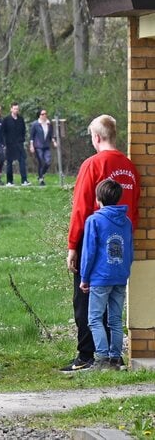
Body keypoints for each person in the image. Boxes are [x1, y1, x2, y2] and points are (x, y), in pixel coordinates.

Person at [61, 114, 139, 372]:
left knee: (85, 301)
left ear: (96, 137)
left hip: (94, 243)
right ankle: (112, 356)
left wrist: (73, 246)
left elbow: (81, 208)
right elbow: (134, 209)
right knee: (114, 310)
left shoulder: (92, 165)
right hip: (121, 246)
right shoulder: (129, 167)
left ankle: (87, 355)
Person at [79, 179, 133, 371]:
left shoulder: (94, 220)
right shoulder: (126, 221)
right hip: (120, 276)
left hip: (100, 278)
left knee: (94, 319)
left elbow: (89, 252)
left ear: (98, 197)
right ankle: (116, 359)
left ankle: (101, 360)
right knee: (115, 320)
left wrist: (84, 278)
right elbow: (130, 250)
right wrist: (125, 272)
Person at [3, 103, 29, 186]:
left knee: (22, 161)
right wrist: (4, 143)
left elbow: (23, 130)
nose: (16, 110)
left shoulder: (20, 119)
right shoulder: (6, 120)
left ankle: (24, 180)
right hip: (9, 144)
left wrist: (22, 139)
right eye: (14, 109)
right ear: (11, 109)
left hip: (19, 143)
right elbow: (3, 132)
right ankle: (9, 181)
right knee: (9, 162)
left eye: (17, 109)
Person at [29, 109, 57, 186]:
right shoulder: (35, 124)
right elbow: (32, 136)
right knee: (41, 161)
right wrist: (31, 145)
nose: (44, 115)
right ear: (39, 115)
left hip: (46, 145)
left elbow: (51, 134)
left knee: (48, 162)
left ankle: (42, 174)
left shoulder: (49, 124)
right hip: (38, 146)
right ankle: (41, 179)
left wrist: (54, 141)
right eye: (42, 114)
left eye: (45, 114)